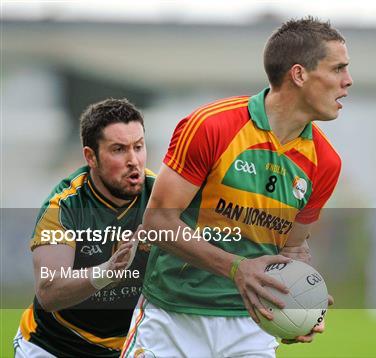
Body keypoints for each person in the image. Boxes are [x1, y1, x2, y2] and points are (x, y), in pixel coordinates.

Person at [122, 16, 352, 358]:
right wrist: (237, 268)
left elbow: (293, 249)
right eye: (337, 69)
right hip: (173, 318)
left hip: (251, 329)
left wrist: (295, 305)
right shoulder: (211, 126)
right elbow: (157, 224)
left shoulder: (326, 162)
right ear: (299, 74)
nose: (348, 81)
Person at [14, 98, 155, 357]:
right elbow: (49, 291)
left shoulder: (160, 197)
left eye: (138, 146)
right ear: (91, 156)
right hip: (54, 346)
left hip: (127, 347)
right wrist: (107, 271)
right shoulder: (65, 205)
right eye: (119, 149)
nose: (134, 160)